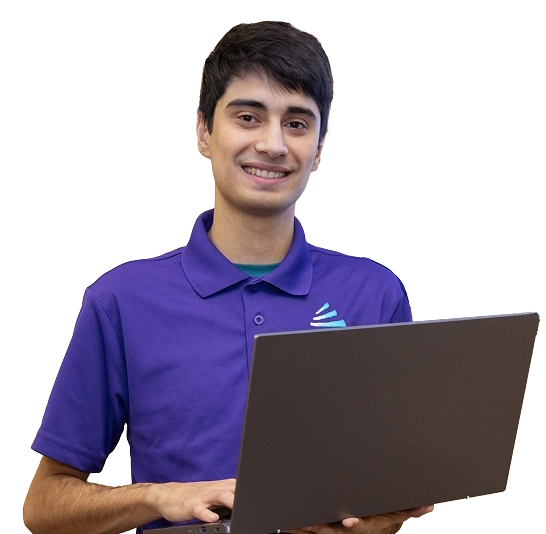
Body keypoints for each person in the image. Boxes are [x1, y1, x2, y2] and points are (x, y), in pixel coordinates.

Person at [23, 20, 434, 534]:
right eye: (248, 116)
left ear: (321, 145)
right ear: (203, 131)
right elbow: (44, 506)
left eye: (297, 123)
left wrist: (382, 523)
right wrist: (159, 498)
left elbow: (401, 482)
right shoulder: (122, 301)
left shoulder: (375, 293)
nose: (273, 144)